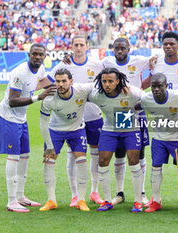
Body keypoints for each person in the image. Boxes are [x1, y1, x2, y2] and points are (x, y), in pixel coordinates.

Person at [0, 43, 56, 212]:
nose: (37, 57)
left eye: (40, 55)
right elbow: (12, 101)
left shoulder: (41, 69)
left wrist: (60, 70)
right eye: (34, 54)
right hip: (8, 117)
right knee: (14, 156)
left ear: (45, 56)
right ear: (29, 54)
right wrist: (39, 97)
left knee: (25, 155)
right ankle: (11, 201)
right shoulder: (19, 72)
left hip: (21, 118)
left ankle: (20, 196)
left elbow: (38, 84)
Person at [145, 31, 178, 208]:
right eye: (165, 44)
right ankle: (155, 200)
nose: (168, 47)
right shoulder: (156, 62)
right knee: (156, 165)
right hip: (161, 119)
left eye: (172, 44)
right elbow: (149, 83)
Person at [48, 35, 104, 207]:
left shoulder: (97, 64)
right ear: (71, 46)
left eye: (81, 44)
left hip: (93, 115)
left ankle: (94, 191)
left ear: (87, 46)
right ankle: (75, 195)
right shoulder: (63, 65)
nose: (79, 47)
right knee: (73, 156)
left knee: (95, 155)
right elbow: (50, 83)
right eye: (76, 45)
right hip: (71, 120)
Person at [101, 37, 151, 205]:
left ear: (129, 49)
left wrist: (142, 87)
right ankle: (119, 192)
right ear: (113, 49)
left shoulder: (139, 61)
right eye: (117, 48)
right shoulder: (106, 62)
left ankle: (142, 193)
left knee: (139, 154)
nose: (120, 51)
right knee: (120, 153)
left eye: (123, 48)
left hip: (136, 112)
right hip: (118, 113)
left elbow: (156, 66)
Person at [89, 68, 144, 212]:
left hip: (131, 129)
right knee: (102, 161)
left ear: (118, 81)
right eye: (104, 81)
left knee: (133, 160)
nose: (107, 84)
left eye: (110, 81)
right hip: (110, 129)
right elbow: (80, 93)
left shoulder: (132, 92)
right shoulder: (97, 95)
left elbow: (149, 99)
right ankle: (107, 201)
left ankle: (138, 201)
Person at [39, 68, 93, 212]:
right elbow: (43, 124)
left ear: (71, 81)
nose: (60, 84)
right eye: (57, 81)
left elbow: (99, 86)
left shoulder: (82, 89)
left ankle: (81, 200)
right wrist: (49, 146)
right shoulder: (49, 99)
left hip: (77, 130)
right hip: (55, 131)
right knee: (49, 161)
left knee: (81, 161)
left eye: (64, 81)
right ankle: (51, 200)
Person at [139, 73, 178, 213]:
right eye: (153, 87)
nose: (156, 89)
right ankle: (156, 200)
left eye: (159, 86)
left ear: (166, 86)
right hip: (159, 138)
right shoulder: (146, 98)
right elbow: (137, 107)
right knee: (155, 167)